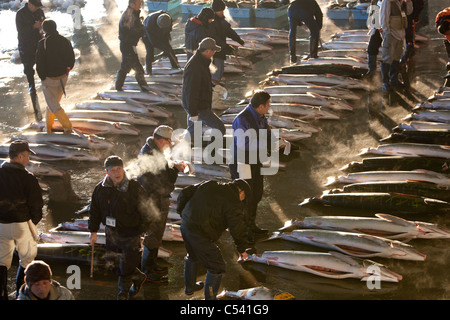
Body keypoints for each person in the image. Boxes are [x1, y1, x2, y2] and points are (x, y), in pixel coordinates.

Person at [177, 179, 255, 300]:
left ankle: (190, 287)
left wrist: (182, 212)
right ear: (241, 191)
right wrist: (242, 248)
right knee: (217, 266)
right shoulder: (233, 201)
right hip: (200, 233)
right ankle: (210, 299)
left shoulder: (210, 183)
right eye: (244, 197)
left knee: (192, 254)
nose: (243, 201)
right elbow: (237, 227)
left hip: (186, 225)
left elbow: (184, 193)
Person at [88, 156, 148, 300]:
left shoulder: (134, 187)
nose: (117, 172)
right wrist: (93, 231)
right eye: (113, 170)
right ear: (107, 172)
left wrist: (142, 231)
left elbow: (146, 209)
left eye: (119, 168)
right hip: (111, 231)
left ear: (123, 169)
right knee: (113, 264)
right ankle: (139, 277)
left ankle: (123, 293)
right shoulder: (99, 189)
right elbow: (94, 211)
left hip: (131, 231)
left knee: (126, 265)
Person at [137, 125, 186, 283]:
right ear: (160, 140)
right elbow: (161, 181)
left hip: (157, 198)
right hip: (153, 200)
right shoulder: (152, 154)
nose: (170, 144)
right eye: (168, 141)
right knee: (153, 234)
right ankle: (148, 271)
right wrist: (175, 171)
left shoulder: (154, 151)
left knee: (156, 235)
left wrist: (174, 169)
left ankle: (151, 265)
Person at [0, 140, 43, 300]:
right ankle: (21, 293)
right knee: (27, 259)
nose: (28, 160)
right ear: (19, 156)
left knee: (2, 261)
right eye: (27, 156)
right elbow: (37, 204)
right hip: (22, 224)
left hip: (1, 224)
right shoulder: (28, 178)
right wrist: (34, 221)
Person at [229, 91, 273, 241]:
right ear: (260, 106)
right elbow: (244, 144)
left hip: (255, 160)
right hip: (243, 161)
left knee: (256, 194)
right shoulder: (242, 119)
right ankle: (243, 230)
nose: (269, 107)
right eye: (268, 105)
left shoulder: (260, 116)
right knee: (245, 197)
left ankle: (251, 224)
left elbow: (265, 132)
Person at [181, 37, 226, 142]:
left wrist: (213, 86)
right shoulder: (195, 66)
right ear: (207, 51)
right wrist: (193, 113)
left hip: (197, 105)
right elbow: (191, 91)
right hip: (199, 106)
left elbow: (201, 82)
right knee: (220, 128)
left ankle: (185, 149)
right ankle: (211, 150)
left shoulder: (203, 61)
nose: (214, 53)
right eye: (213, 51)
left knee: (193, 132)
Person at [35, 19, 75, 134]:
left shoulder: (42, 43)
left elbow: (39, 63)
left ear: (44, 30)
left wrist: (42, 77)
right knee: (53, 103)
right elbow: (71, 58)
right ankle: (48, 128)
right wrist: (68, 69)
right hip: (63, 77)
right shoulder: (65, 40)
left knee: (54, 105)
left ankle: (68, 127)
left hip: (49, 79)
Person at [114, 0, 149, 92]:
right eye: (139, 4)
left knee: (125, 67)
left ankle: (118, 86)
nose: (140, 6)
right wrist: (143, 31)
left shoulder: (133, 13)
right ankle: (144, 88)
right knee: (138, 68)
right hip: (127, 46)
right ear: (132, 4)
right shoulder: (128, 16)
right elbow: (133, 30)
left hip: (129, 45)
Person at [379, 0, 413, 91]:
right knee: (387, 57)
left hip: (400, 33)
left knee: (397, 57)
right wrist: (387, 32)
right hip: (391, 33)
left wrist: (409, 2)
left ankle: (394, 79)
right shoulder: (388, 1)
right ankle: (385, 82)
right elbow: (383, 16)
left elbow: (409, 12)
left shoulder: (402, 2)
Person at [209, 0, 245, 84]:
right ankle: (213, 88)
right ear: (215, 10)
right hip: (213, 52)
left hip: (220, 51)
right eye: (220, 10)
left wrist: (239, 40)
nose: (222, 12)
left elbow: (229, 31)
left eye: (223, 10)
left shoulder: (221, 21)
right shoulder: (211, 23)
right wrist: (225, 46)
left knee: (220, 70)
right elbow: (214, 38)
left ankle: (215, 85)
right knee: (216, 71)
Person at [15, 0, 45, 96]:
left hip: (39, 42)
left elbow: (45, 22)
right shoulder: (20, 14)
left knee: (42, 63)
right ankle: (31, 86)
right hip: (26, 44)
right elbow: (21, 30)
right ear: (30, 4)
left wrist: (43, 26)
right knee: (28, 66)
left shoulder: (39, 11)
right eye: (36, 6)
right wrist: (33, 26)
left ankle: (45, 83)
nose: (37, 8)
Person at [142, 10, 180, 75]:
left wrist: (167, 47)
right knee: (150, 52)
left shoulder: (167, 18)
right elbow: (153, 42)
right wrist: (164, 48)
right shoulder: (149, 25)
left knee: (170, 50)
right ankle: (148, 71)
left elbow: (168, 32)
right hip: (146, 35)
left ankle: (176, 66)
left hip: (161, 33)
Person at [366, 0, 383, 78]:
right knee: (371, 49)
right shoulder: (375, 1)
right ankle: (372, 72)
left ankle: (391, 76)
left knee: (390, 52)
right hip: (377, 28)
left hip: (386, 28)